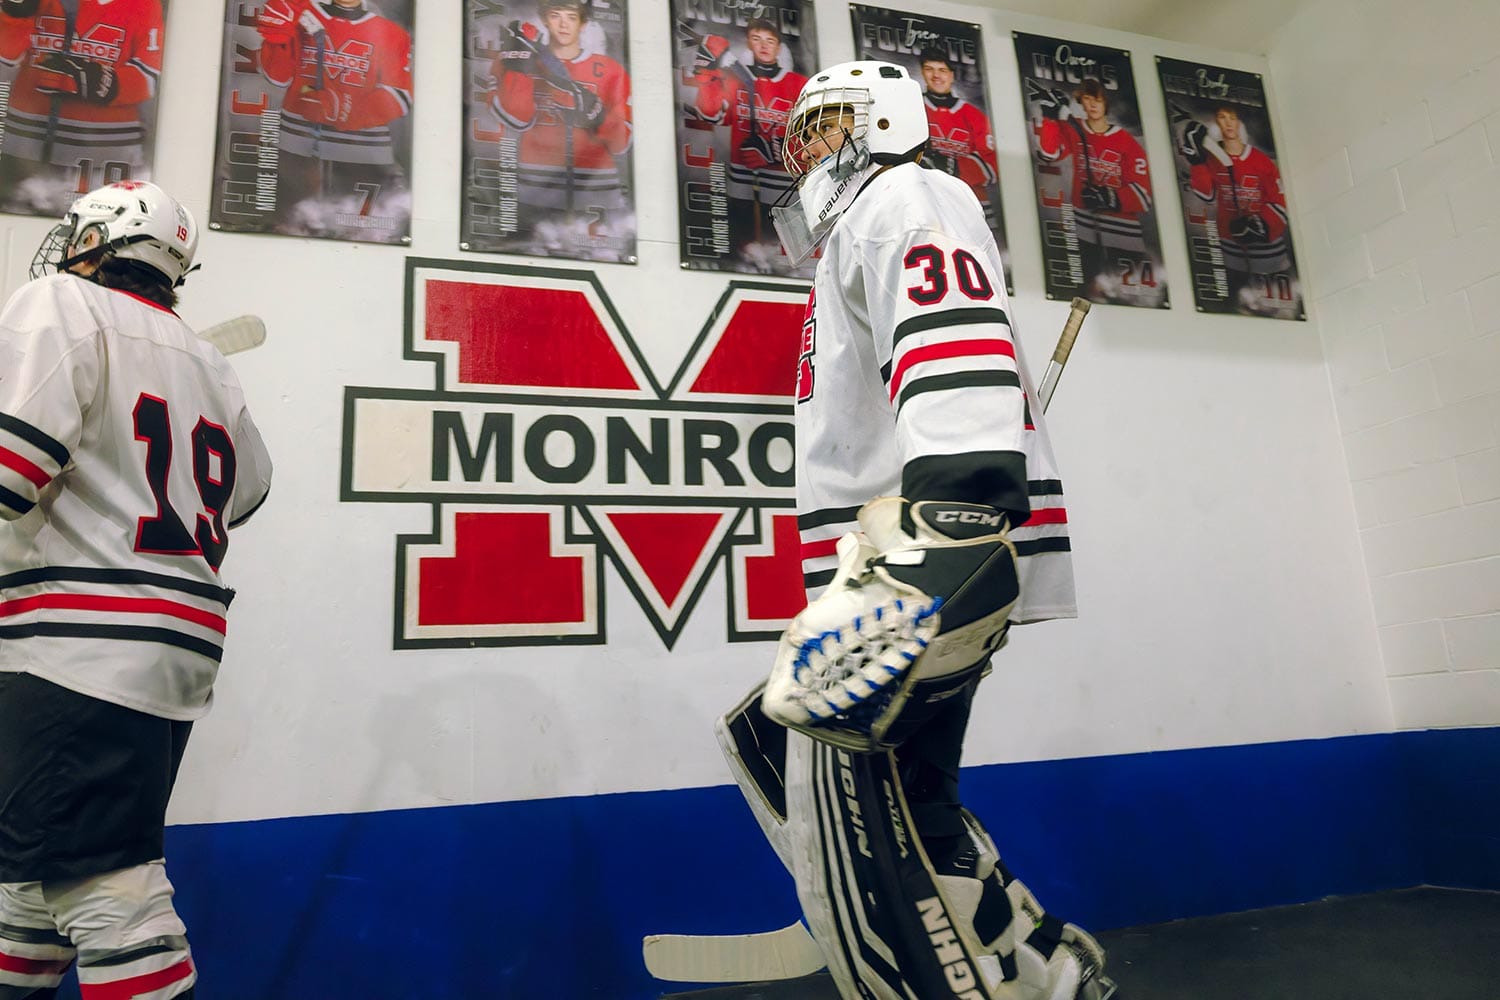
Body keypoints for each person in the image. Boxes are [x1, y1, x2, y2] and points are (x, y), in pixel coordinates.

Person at [720, 61, 1116, 1000]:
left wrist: (956, 524)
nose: (806, 152)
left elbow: (954, 339)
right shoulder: (858, 227)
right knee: (885, 789)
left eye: (822, 128)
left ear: (881, 119)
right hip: (891, 556)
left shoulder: (907, 195)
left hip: (925, 552)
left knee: (863, 801)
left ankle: (989, 977)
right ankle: (1042, 970)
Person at [0, 181, 272, 1000]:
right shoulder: (208, 360)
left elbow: (12, 471)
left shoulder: (57, 302)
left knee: (101, 885)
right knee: (29, 884)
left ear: (98, 239)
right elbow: (249, 489)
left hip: (71, 644)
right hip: (169, 644)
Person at [254, 0, 413, 232]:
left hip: (362, 157)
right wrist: (277, 35)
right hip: (295, 151)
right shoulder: (301, 15)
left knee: (362, 236)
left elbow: (400, 94)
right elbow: (278, 77)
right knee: (286, 229)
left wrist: (345, 108)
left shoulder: (391, 33)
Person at [0, 0, 165, 217]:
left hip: (107, 162)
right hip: (21, 160)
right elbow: (4, 67)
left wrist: (97, 81)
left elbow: (151, 77)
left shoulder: (143, 4)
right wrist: (14, 15)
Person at [487, 0, 632, 243]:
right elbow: (516, 118)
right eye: (555, 15)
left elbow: (622, 144)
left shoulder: (611, 70)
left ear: (583, 23)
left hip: (598, 195)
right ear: (545, 19)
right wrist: (519, 63)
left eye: (572, 17)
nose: (563, 24)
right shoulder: (516, 60)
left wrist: (599, 116)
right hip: (532, 194)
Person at [685, 18, 806, 263]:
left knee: (782, 255)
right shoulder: (736, 78)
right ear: (749, 43)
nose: (763, 46)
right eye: (757, 39)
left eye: (770, 40)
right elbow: (711, 114)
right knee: (741, 251)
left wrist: (775, 153)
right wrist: (708, 73)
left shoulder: (799, 85)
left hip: (784, 186)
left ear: (779, 47)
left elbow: (812, 136)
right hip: (740, 181)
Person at [1031, 77, 1152, 291]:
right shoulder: (1073, 128)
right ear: (1081, 102)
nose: (1093, 105)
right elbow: (1049, 153)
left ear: (1106, 103)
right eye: (1087, 99)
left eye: (1098, 99)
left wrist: (1111, 197)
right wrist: (1050, 118)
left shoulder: (1126, 140)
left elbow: (1143, 193)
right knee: (1085, 292)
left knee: (1127, 297)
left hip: (1123, 231)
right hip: (1083, 227)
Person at [1179, 104, 1293, 295]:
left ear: (1240, 122)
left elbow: (1279, 200)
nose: (1228, 123)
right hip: (1229, 247)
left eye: (1232, 117)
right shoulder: (1212, 158)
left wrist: (1262, 224)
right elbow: (1207, 195)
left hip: (1268, 250)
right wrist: (1197, 162)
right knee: (1235, 301)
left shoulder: (1261, 161)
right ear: (1216, 123)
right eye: (1222, 117)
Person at [916, 47, 1000, 231]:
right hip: (925, 201)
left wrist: (955, 168)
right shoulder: (912, 107)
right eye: (930, 69)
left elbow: (992, 163)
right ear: (922, 72)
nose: (936, 75)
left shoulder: (974, 114)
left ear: (952, 75)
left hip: (971, 204)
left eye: (942, 70)